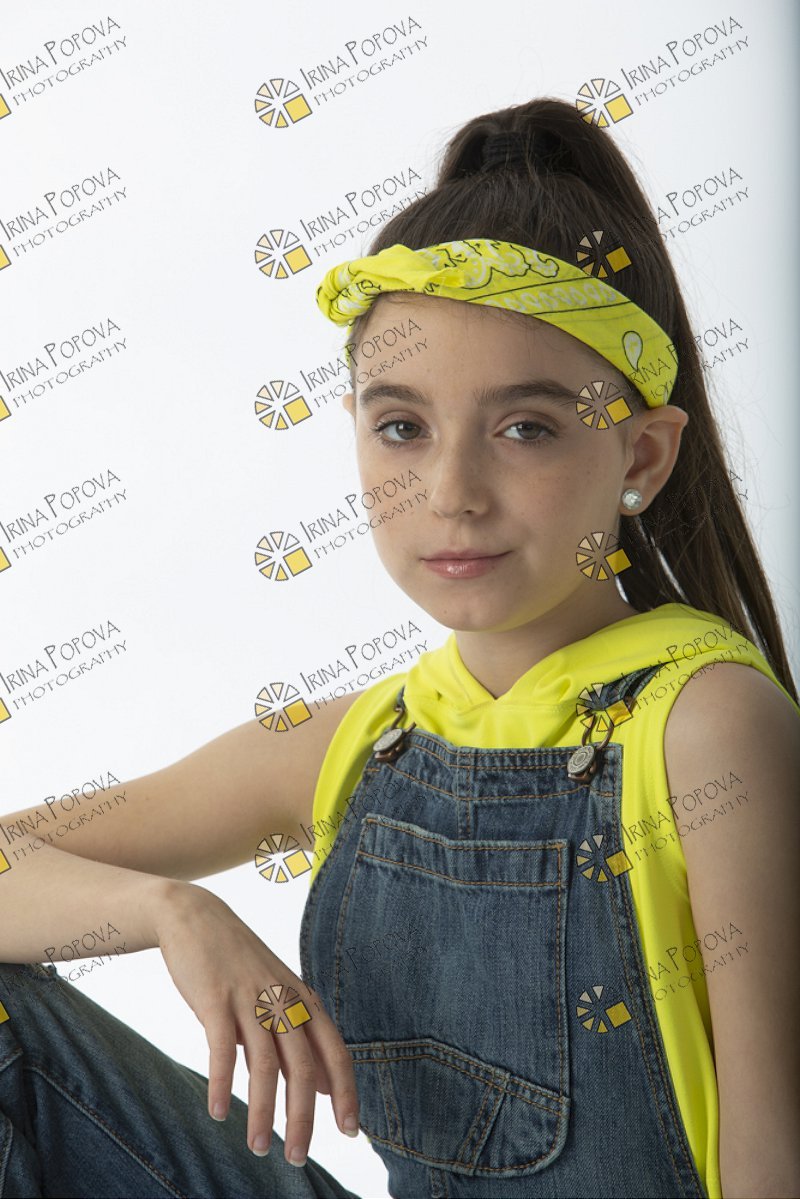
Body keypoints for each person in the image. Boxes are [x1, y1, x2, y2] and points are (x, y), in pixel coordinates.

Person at [1, 97, 798, 1199]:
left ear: (642, 457)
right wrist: (169, 911)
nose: (451, 491)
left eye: (524, 428)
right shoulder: (359, 740)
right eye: (402, 428)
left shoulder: (704, 724)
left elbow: (774, 1157)